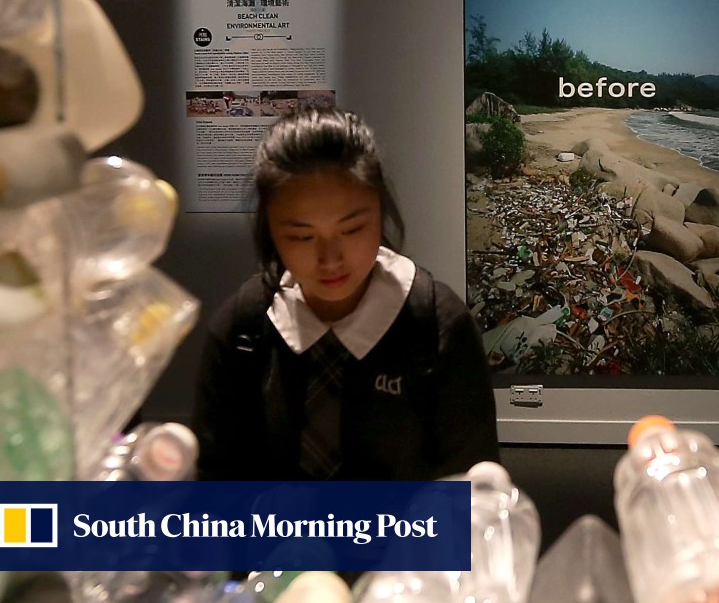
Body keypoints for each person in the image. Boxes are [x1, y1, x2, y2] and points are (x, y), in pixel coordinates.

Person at [192, 106, 500, 481]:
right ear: (270, 230)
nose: (330, 259)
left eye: (352, 229)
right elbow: (214, 489)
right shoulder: (242, 329)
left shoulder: (437, 325)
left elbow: (474, 491)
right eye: (302, 236)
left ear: (380, 212)